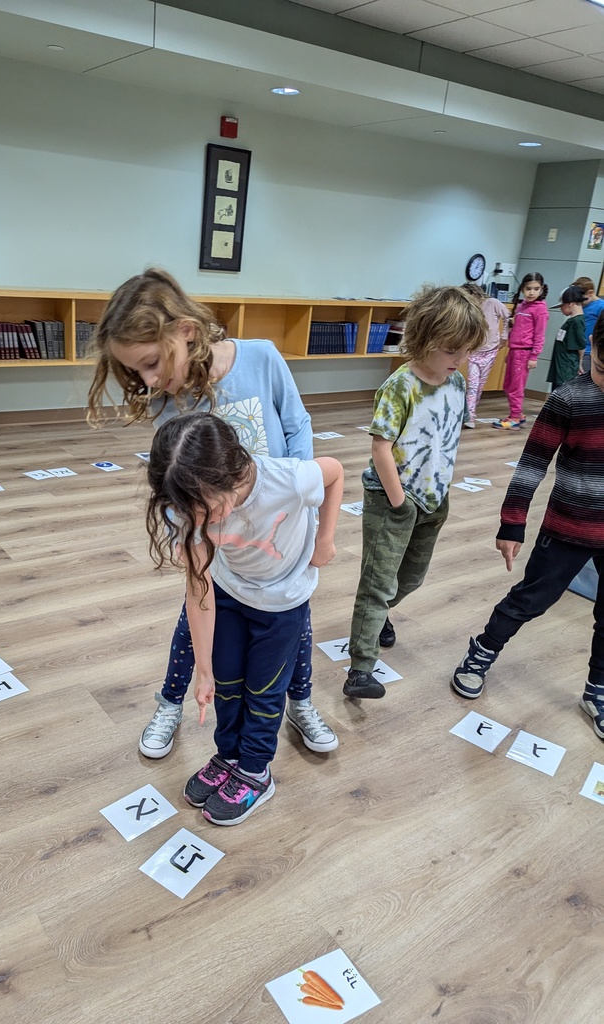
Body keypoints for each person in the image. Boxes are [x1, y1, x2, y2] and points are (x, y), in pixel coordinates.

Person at [86, 268, 338, 758]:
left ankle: (300, 703)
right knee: (196, 624)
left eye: (153, 363)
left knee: (293, 625)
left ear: (186, 330)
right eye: (137, 372)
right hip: (219, 544)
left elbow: (298, 426)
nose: (149, 380)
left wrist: (305, 504)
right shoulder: (167, 397)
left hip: (280, 535)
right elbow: (172, 471)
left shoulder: (262, 357)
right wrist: (185, 528)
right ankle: (169, 703)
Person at [146, 412, 344, 824]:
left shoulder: (288, 480)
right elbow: (199, 589)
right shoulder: (189, 504)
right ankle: (230, 755)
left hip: (283, 603)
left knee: (264, 689)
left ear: (232, 476)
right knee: (227, 682)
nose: (197, 520)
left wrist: (325, 540)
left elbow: (335, 473)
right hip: (230, 591)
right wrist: (202, 670)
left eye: (205, 508)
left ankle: (256, 769)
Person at [451, 317, 604, 743]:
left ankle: (598, 690)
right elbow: (532, 465)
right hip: (568, 528)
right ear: (592, 346)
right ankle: (480, 653)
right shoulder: (568, 399)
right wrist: (511, 523)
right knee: (530, 599)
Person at [343, 285, 487, 699]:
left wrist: (438, 493)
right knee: (377, 583)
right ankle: (360, 670)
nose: (460, 360)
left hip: (435, 499)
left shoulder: (456, 384)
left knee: (412, 578)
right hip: (393, 501)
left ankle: (381, 617)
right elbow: (380, 446)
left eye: (466, 351)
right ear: (424, 339)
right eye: (451, 350)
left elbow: (445, 440)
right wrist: (399, 501)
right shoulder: (400, 385)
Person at [493, 272, 549, 430]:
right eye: (528, 288)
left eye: (536, 289)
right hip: (514, 350)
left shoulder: (540, 309)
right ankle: (518, 414)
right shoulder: (522, 305)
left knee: (516, 386)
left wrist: (534, 356)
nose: (531, 292)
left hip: (525, 352)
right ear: (523, 289)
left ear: (541, 289)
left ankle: (515, 417)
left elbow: (540, 335)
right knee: (508, 384)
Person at [460, 283, 510, 428]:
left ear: (475, 294)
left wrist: (504, 337)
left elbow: (508, 317)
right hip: (474, 352)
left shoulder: (492, 303)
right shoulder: (468, 309)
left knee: (479, 386)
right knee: (473, 385)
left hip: (490, 352)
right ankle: (469, 417)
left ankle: (470, 412)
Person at [547, 285, 585, 390]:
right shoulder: (571, 321)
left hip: (566, 370)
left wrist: (580, 363)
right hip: (560, 368)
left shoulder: (577, 322)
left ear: (570, 304)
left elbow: (581, 345)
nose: (560, 308)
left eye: (562, 305)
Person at [571, 276, 604, 374]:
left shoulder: (601, 306)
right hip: (577, 350)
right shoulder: (582, 306)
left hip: (589, 352)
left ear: (590, 293)